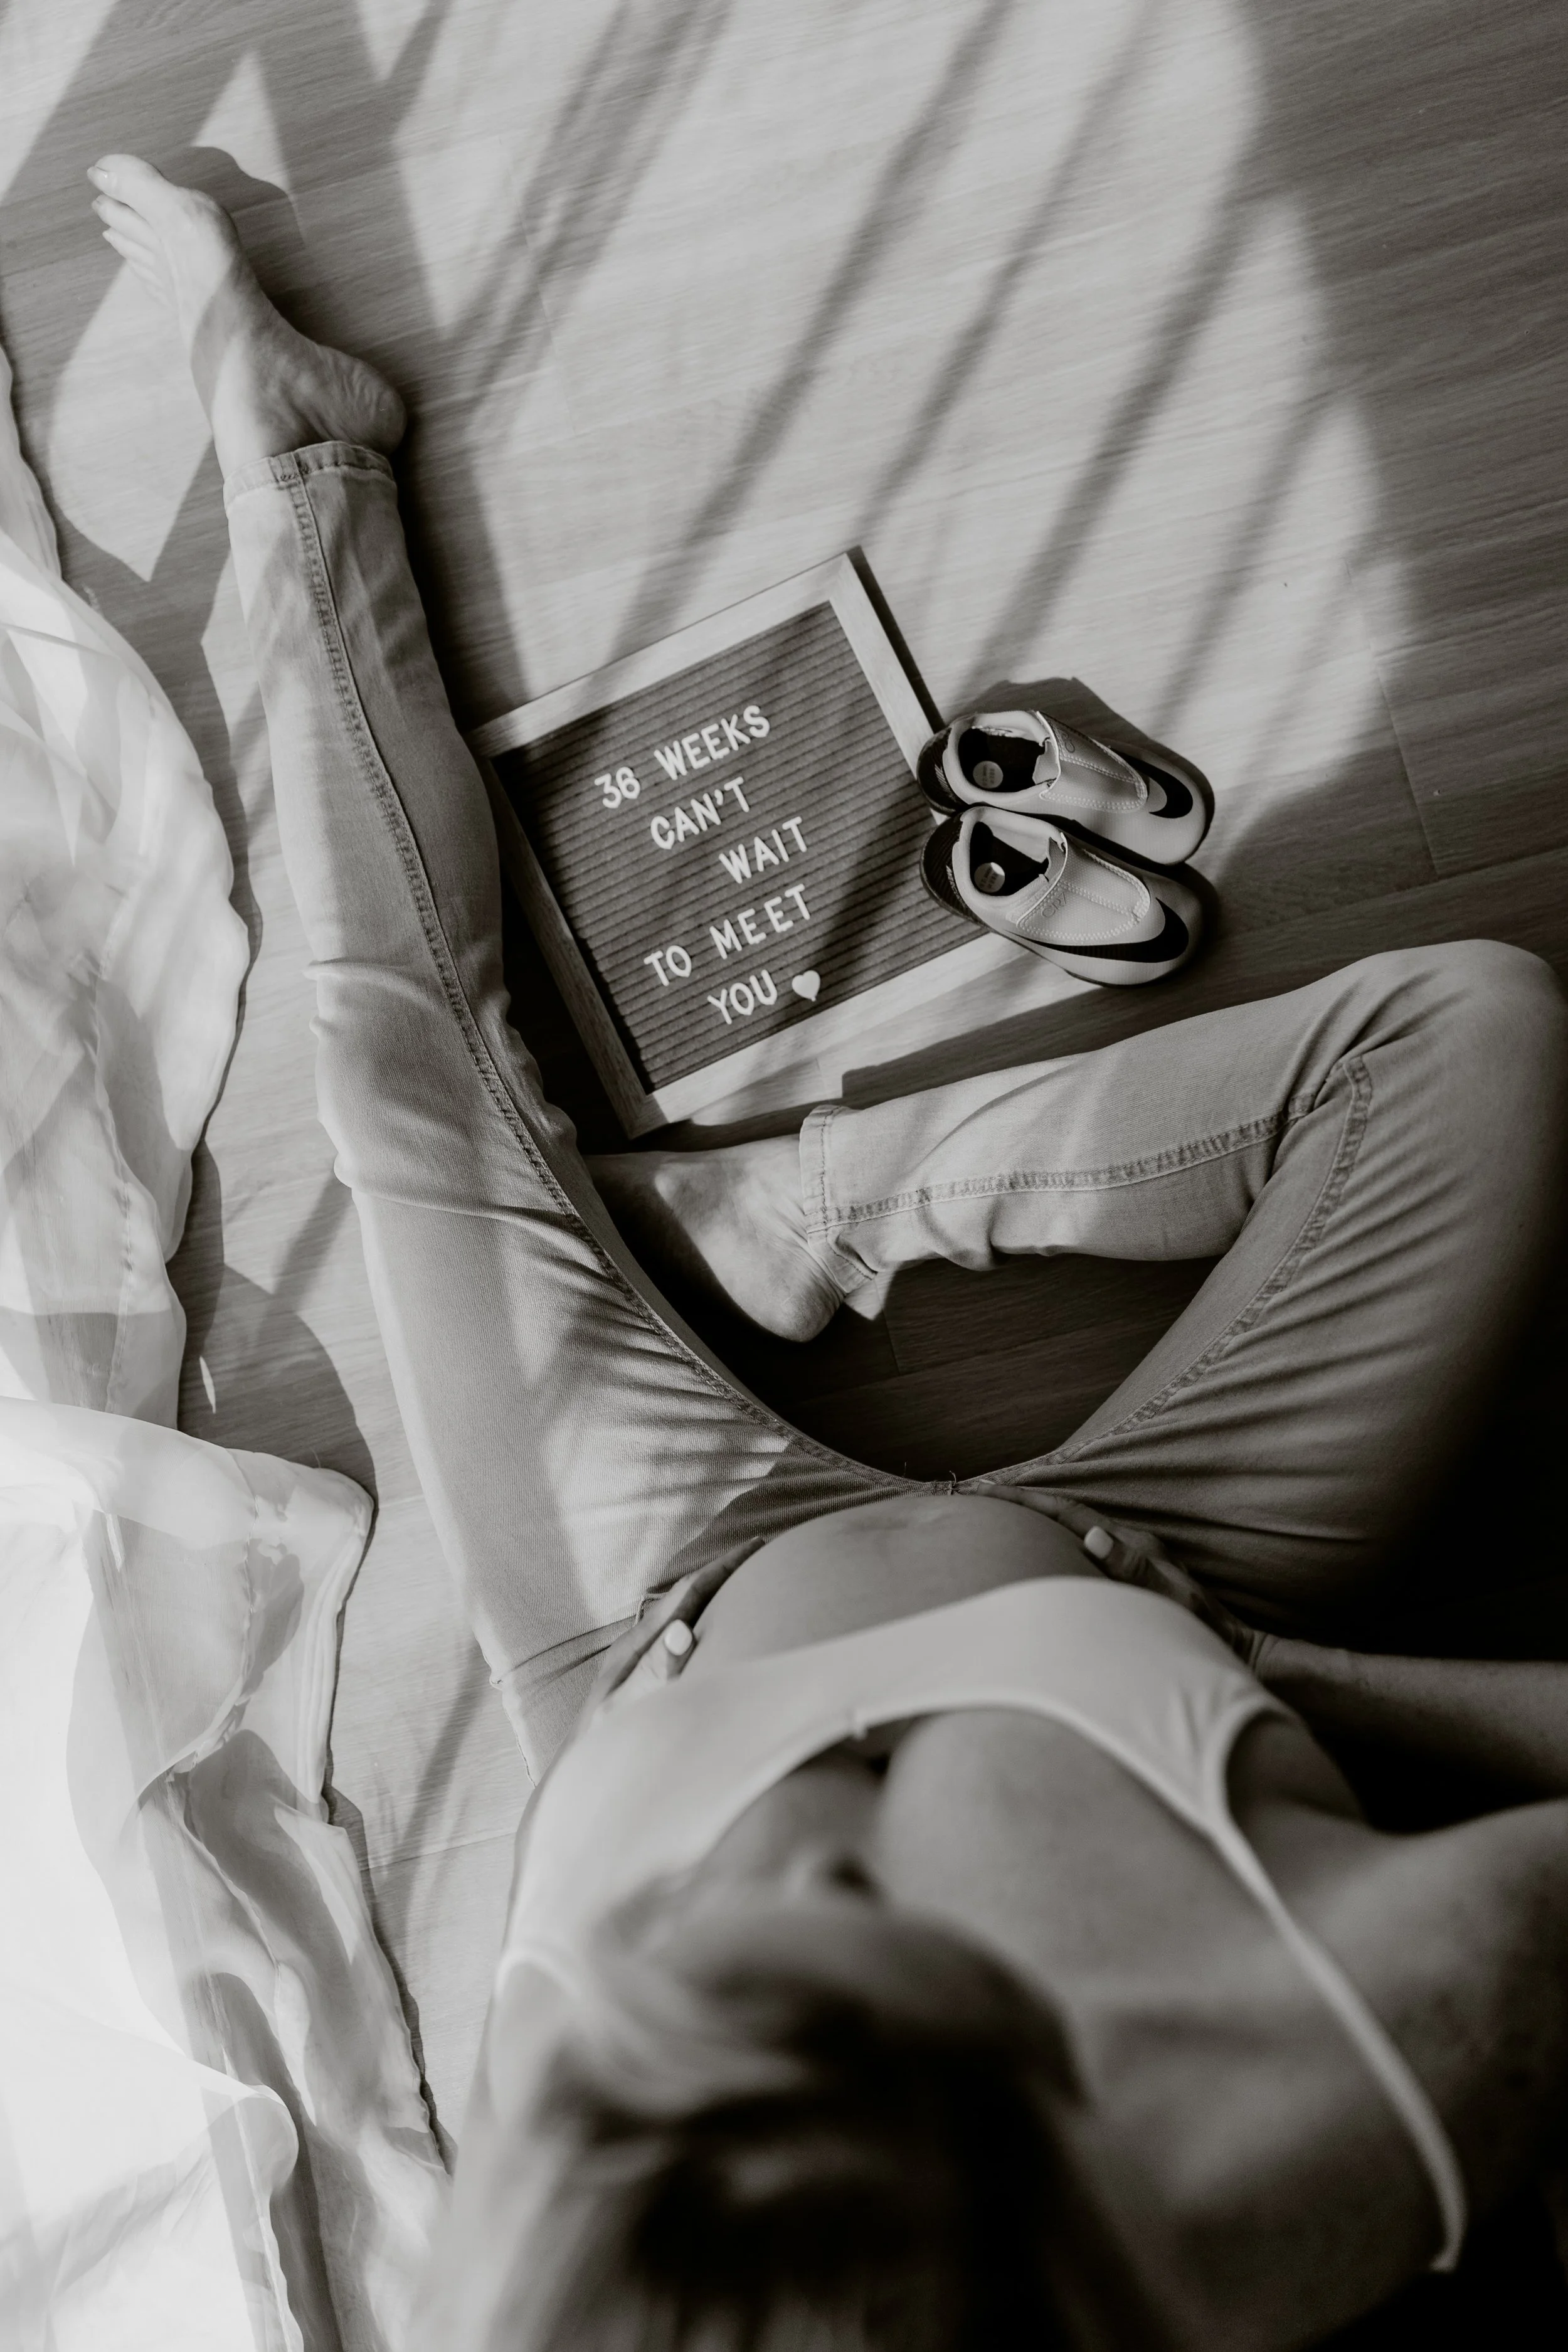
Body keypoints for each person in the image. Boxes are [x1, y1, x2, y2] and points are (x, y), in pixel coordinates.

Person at [89, 154, 1568, 2351]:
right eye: (851, 1893)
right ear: (1023, 2079)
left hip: (643, 1615)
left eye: (666, 1962)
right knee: (1474, 1039)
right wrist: (1316, 1704)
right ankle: (780, 1224)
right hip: (1151, 1580)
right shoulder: (1347, 2088)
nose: (805, 1825)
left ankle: (289, 427)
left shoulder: (562, 2279)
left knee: (405, 1066)